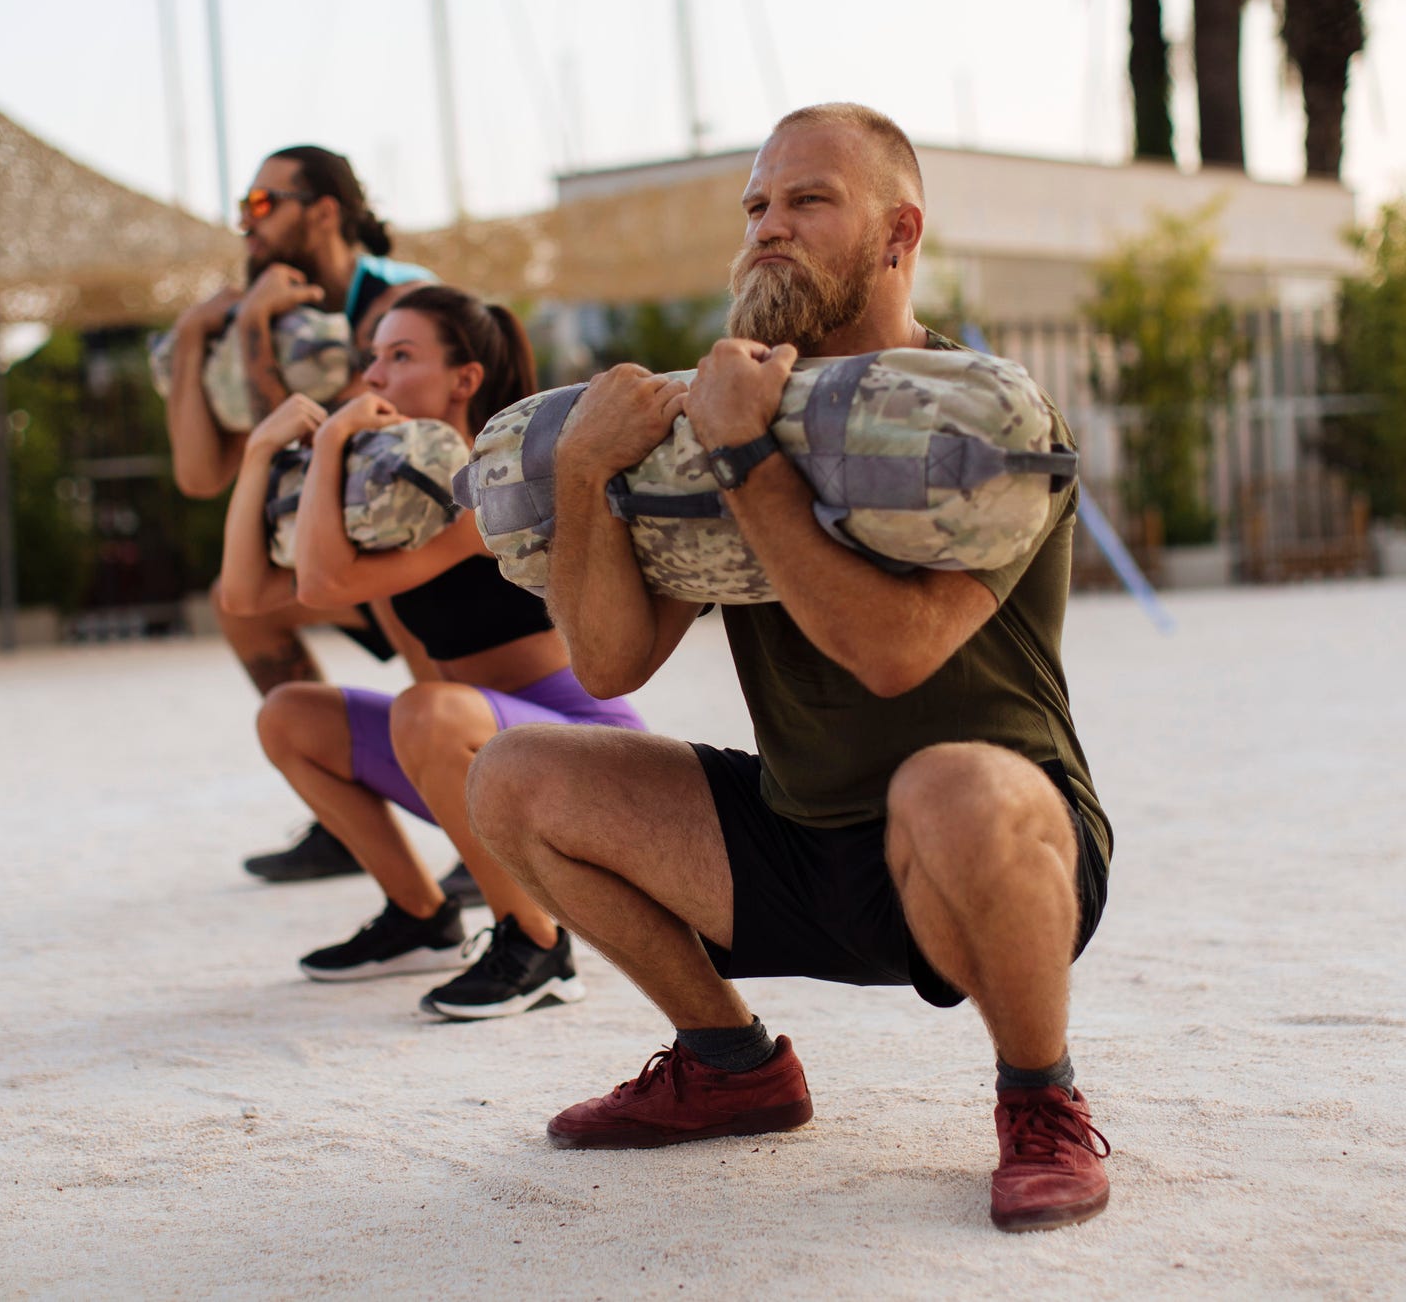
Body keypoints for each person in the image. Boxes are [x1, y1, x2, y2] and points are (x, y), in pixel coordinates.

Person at [463, 104, 1116, 1231]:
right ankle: (730, 1063)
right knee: (512, 774)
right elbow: (612, 663)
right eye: (757, 205)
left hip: (989, 849)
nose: (769, 227)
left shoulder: (980, 419)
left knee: (948, 783)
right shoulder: (723, 409)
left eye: (810, 200)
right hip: (796, 838)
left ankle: (1040, 1095)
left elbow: (894, 653)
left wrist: (745, 454)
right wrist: (584, 473)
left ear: (899, 232)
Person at [219, 285, 647, 1019]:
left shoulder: (495, 489)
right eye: (371, 358)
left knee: (428, 711)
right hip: (478, 759)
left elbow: (323, 583)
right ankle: (419, 918)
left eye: (400, 356)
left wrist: (325, 444)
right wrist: (260, 452)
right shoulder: (390, 498)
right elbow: (245, 595)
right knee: (288, 716)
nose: (373, 375)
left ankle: (536, 944)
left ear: (464, 380)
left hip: (591, 767)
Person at [158, 144, 463, 892]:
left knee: (388, 587)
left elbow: (382, 457)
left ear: (323, 210)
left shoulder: (399, 300)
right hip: (346, 549)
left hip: (441, 550)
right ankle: (343, 814)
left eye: (263, 204)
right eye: (243, 207)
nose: (245, 222)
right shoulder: (249, 313)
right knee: (242, 608)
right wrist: (202, 332)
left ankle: (473, 818)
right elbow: (202, 474)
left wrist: (257, 332)